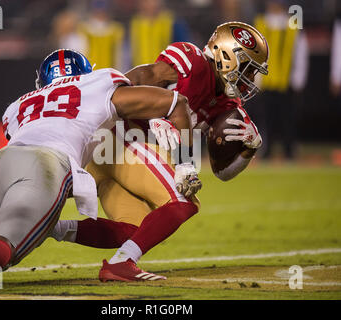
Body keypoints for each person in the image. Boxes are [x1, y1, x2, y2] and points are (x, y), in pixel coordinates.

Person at [0, 49, 200, 298]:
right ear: (85, 72)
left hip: (0, 160)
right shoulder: (97, 82)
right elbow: (176, 102)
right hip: (48, 163)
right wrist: (185, 163)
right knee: (8, 245)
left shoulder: (18, 105)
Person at [50, 21, 268, 282]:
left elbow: (222, 172)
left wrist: (247, 151)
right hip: (119, 141)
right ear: (227, 56)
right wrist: (145, 108)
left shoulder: (226, 104)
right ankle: (123, 263)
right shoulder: (193, 62)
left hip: (121, 156)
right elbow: (137, 78)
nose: (250, 79)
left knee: (137, 228)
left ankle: (51, 229)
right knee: (182, 201)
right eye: (247, 68)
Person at [253, 0, 309, 160]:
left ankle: (289, 149)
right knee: (267, 118)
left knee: (287, 118)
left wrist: (298, 78)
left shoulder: (293, 27)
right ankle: (268, 149)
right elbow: (256, 54)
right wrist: (257, 79)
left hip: (286, 81)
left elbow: (300, 53)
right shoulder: (261, 24)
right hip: (268, 80)